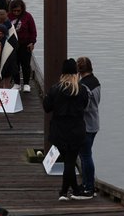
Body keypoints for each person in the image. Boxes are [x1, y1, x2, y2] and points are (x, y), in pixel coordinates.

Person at [43, 58, 91, 201]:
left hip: (59, 131)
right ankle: (70, 191)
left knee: (68, 161)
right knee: (70, 161)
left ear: (62, 73)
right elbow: (85, 106)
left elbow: (47, 107)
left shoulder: (55, 89)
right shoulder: (82, 90)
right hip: (76, 131)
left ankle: (66, 192)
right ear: (76, 73)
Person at [77, 56, 102, 199]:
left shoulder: (83, 86)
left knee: (85, 156)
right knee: (86, 154)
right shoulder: (96, 81)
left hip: (85, 125)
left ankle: (89, 187)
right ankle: (87, 183)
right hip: (94, 122)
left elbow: (83, 106)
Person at [8, 0, 38, 93]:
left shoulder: (28, 16)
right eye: (14, 11)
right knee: (14, 64)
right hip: (13, 45)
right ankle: (17, 83)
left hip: (25, 44)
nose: (16, 13)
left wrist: (32, 42)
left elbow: (33, 31)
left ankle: (26, 84)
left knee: (26, 64)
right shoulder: (8, 16)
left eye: (18, 11)